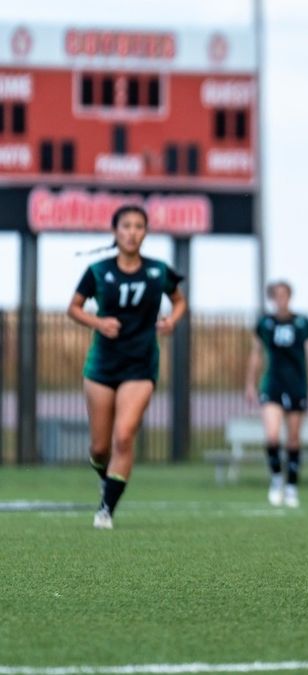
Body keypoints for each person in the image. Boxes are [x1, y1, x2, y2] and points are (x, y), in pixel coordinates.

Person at [67, 205, 186, 529]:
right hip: (102, 366)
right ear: (115, 231)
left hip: (140, 365)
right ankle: (105, 478)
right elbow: (74, 308)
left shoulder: (158, 271)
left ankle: (106, 510)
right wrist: (98, 322)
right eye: (126, 226)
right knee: (100, 447)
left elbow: (179, 300)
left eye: (138, 226)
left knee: (123, 435)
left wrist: (172, 321)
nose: (132, 232)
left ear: (145, 232)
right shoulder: (98, 271)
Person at [244, 281, 308, 508]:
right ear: (272, 298)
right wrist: (250, 383)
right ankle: (277, 479)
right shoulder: (265, 324)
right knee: (272, 436)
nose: (281, 299)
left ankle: (292, 486)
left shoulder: (303, 324)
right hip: (272, 385)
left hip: (296, 385)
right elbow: (256, 354)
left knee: (293, 439)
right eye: (276, 295)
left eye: (284, 295)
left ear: (289, 297)